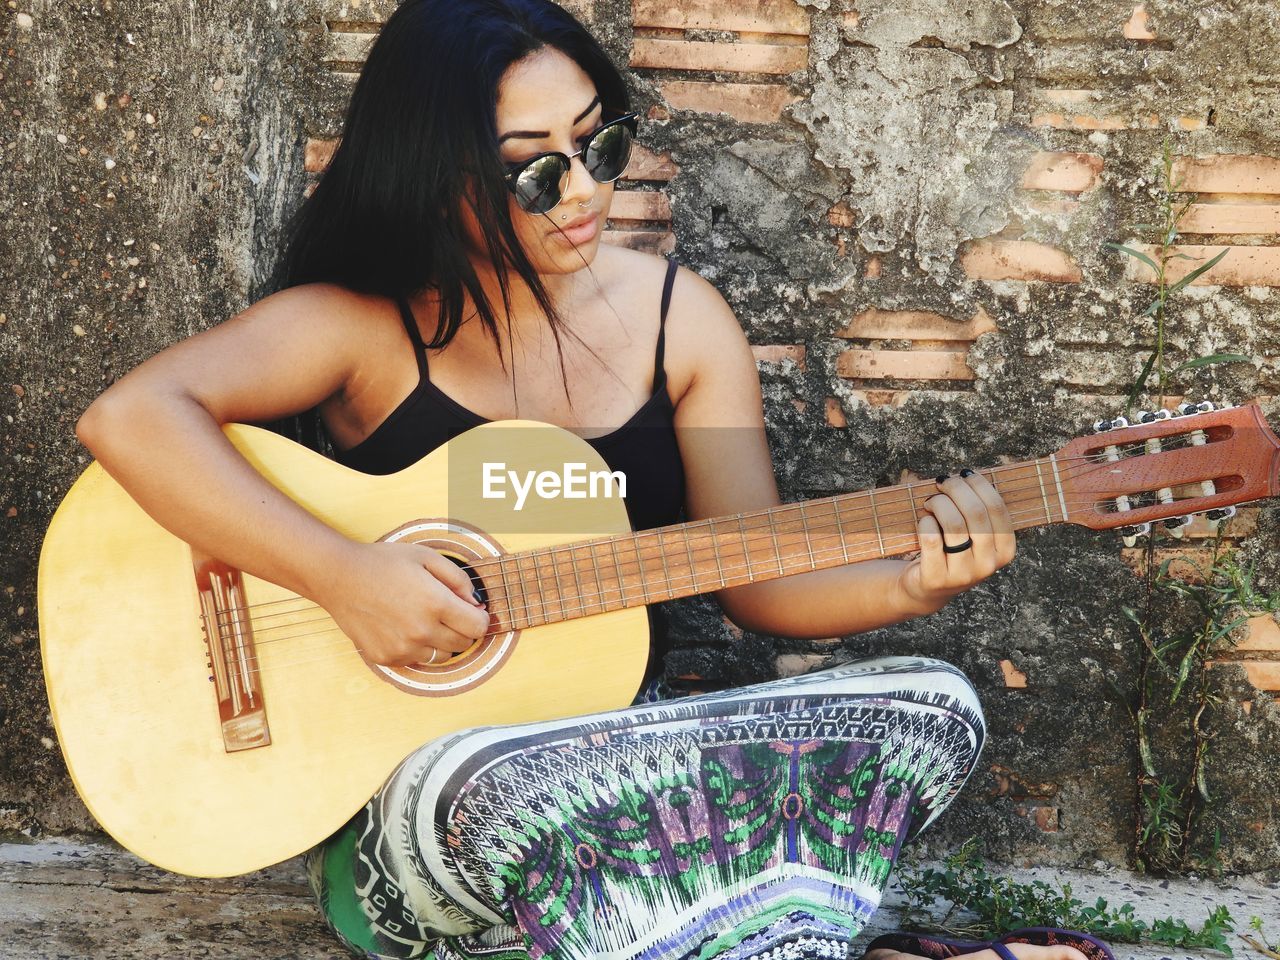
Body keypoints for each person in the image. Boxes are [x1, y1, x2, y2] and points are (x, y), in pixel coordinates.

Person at [73, 2, 1100, 959]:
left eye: (598, 144)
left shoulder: (679, 324)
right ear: (439, 177)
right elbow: (130, 417)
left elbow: (755, 578)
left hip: (634, 775)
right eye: (532, 170)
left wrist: (914, 581)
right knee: (503, 780)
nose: (584, 192)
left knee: (928, 705)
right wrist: (344, 575)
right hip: (439, 803)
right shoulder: (360, 329)